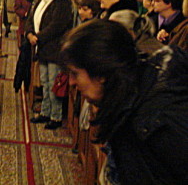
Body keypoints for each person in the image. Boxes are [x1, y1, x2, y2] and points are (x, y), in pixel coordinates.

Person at [60, 19, 188, 184]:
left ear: (101, 72)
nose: (71, 82)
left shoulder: (157, 119)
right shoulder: (130, 99)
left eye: (75, 73)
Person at [25, 0, 73, 130]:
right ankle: (45, 112)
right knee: (44, 82)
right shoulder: (41, 0)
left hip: (54, 48)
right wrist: (29, 33)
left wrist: (37, 37)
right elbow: (31, 18)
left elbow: (57, 25)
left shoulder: (62, 2)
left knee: (53, 83)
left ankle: (55, 116)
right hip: (42, 48)